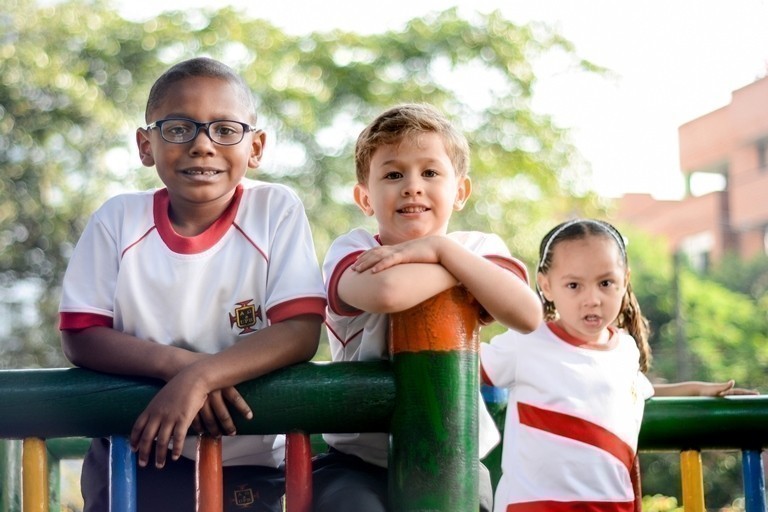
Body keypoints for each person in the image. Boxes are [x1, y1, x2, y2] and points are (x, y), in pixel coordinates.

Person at [58, 57, 327, 512]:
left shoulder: (274, 209)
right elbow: (81, 334)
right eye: (179, 128)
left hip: (248, 458)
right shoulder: (118, 219)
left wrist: (203, 376)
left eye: (225, 130)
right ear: (146, 146)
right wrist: (179, 369)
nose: (203, 145)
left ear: (256, 147)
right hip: (136, 450)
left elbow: (300, 330)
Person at [313, 103, 543, 512]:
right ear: (364, 197)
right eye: (393, 174)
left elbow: (528, 315)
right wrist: (461, 267)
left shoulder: (479, 247)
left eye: (431, 172)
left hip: (453, 454)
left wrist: (440, 248)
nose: (412, 186)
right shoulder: (353, 249)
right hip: (356, 463)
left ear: (461, 192)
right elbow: (388, 292)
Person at [480, 218, 757, 512]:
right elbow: (460, 368)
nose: (592, 299)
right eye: (574, 285)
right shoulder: (526, 341)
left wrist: (698, 390)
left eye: (606, 283)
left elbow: (634, 392)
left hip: (613, 506)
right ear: (546, 285)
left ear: (624, 280)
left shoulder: (625, 349)